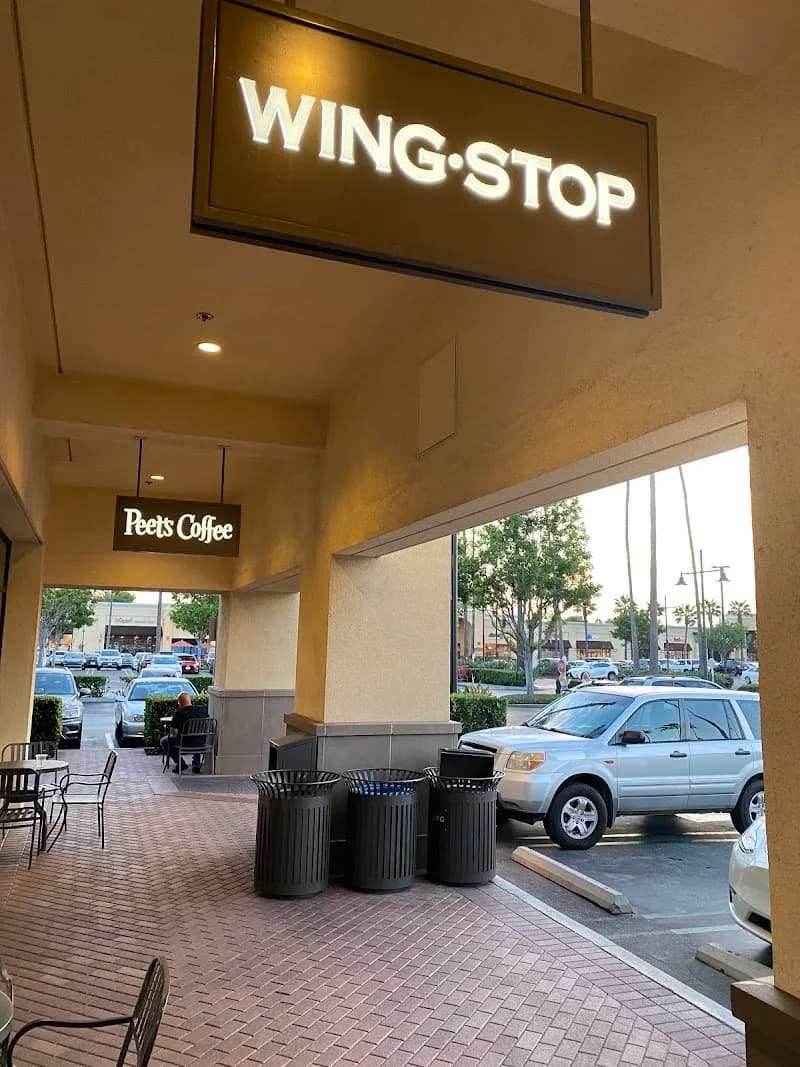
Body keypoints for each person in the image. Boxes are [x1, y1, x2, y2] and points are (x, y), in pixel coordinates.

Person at [159, 692, 209, 774]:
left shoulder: (178, 714)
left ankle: (181, 763)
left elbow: (173, 733)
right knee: (196, 737)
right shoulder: (203, 711)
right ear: (190, 701)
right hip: (202, 742)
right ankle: (196, 764)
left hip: (184, 744)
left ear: (179, 703)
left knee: (164, 741)